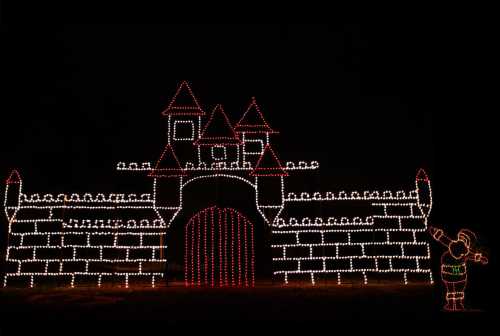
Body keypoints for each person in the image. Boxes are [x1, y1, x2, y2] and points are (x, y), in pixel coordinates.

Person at [428, 227, 488, 311]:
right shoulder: (461, 250)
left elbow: (443, 239)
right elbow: (443, 239)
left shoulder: (459, 248)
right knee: (453, 288)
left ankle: (456, 304)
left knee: (455, 288)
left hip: (454, 272)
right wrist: (435, 232)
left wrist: (481, 258)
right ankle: (453, 304)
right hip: (453, 272)